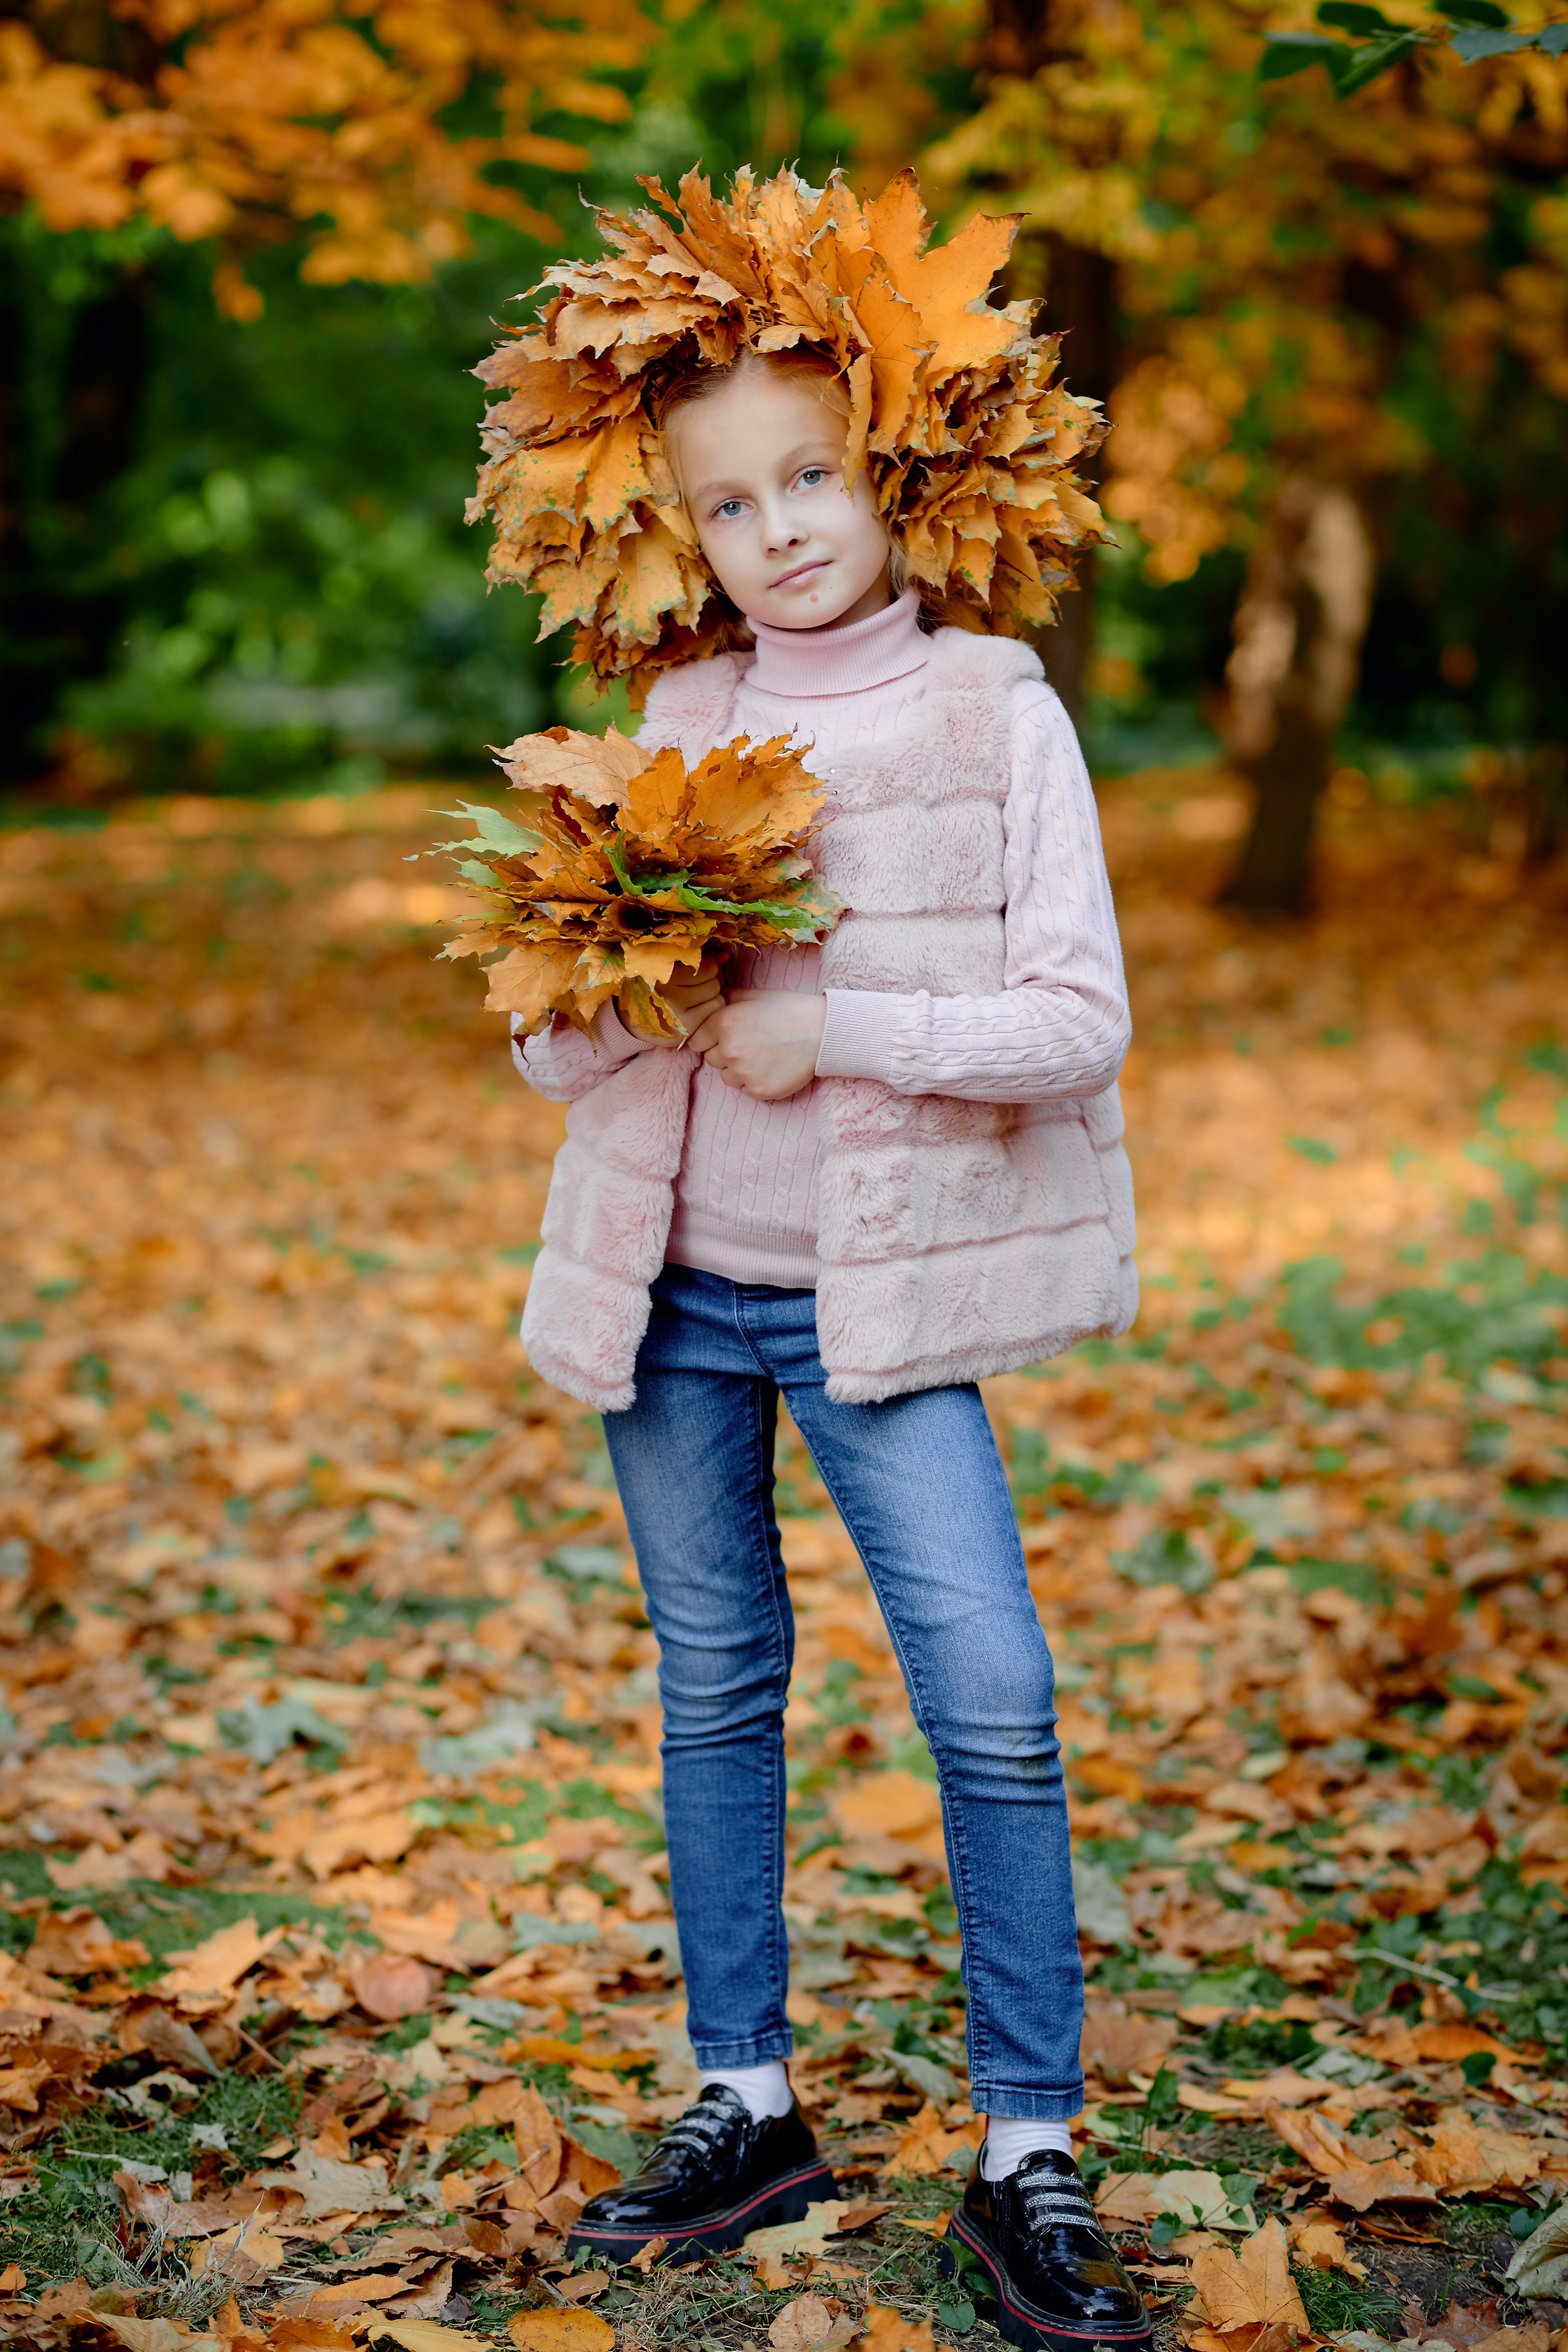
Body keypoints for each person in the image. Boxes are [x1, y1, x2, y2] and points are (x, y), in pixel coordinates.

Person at [478, 167, 1147, 2352]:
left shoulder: (993, 712)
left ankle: (1026, 2145)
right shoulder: (672, 722)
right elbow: (576, 1059)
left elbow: (1076, 1023)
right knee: (714, 1685)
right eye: (729, 500)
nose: (777, 528)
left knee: (995, 1702)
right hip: (672, 1292)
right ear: (680, 527)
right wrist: (599, 993)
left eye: (813, 476)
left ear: (900, 466)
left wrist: (833, 1025)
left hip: (877, 1304)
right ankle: (747, 2101)